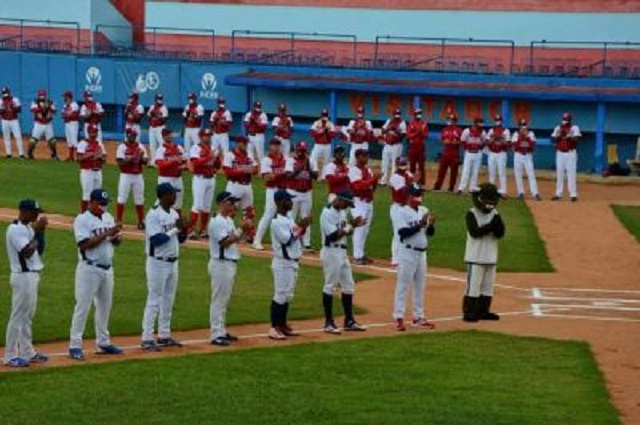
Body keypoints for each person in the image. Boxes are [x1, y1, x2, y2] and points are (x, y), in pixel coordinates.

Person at [69, 189, 123, 360]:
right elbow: (84, 244)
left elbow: (113, 243)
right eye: (100, 203)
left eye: (105, 204)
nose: (103, 207)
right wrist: (108, 233)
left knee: (105, 306)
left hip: (108, 268)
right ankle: (75, 345)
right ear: (91, 202)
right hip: (89, 269)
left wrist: (116, 238)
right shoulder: (82, 219)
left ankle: (103, 342)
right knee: (82, 307)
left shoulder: (108, 217)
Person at [141, 183, 188, 351]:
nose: (175, 197)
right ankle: (146, 338)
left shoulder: (174, 213)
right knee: (154, 300)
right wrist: (176, 229)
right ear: (165, 196)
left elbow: (180, 239)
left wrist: (184, 230)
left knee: (169, 299)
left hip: (173, 262)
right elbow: (156, 240)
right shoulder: (153, 215)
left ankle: (164, 334)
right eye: (173, 194)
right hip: (157, 262)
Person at [4, 199, 48, 368]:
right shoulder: (15, 229)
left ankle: (28, 352)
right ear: (24, 211)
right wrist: (37, 233)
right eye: (34, 212)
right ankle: (10, 355)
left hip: (32, 276)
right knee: (17, 316)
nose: (37, 215)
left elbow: (39, 251)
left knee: (28, 316)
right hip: (22, 277)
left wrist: (41, 233)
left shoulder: (29, 227)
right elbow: (27, 253)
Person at [320, 190, 368, 334]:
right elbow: (333, 236)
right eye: (347, 203)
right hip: (331, 251)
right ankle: (328, 323)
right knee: (330, 285)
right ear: (339, 200)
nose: (347, 207)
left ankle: (349, 321)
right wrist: (350, 226)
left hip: (342, 252)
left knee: (349, 285)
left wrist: (354, 225)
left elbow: (345, 230)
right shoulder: (326, 213)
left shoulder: (342, 211)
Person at [208, 191, 251, 346]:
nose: (233, 205)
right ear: (222, 203)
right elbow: (225, 242)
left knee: (224, 300)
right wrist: (241, 229)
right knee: (218, 300)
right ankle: (215, 334)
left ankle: (221, 330)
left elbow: (234, 239)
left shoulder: (228, 220)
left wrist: (245, 230)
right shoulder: (216, 221)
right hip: (220, 264)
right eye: (230, 202)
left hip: (229, 263)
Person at [393, 184, 436, 331]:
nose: (420, 197)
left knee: (420, 285)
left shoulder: (424, 210)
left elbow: (429, 233)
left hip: (422, 253)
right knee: (403, 285)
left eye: (421, 194)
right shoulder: (401, 212)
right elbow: (403, 233)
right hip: (407, 252)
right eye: (417, 194)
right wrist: (421, 224)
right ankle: (399, 317)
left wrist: (431, 225)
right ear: (410, 196)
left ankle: (418, 317)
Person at [268, 189, 310, 340]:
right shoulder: (276, 221)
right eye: (288, 200)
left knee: (287, 295)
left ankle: (283, 324)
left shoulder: (288, 217)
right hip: (282, 263)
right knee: (280, 295)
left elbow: (296, 233)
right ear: (280, 202)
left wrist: (302, 227)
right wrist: (301, 226)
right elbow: (288, 239)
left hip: (291, 262)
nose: (291, 202)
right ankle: (274, 327)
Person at [463, 183, 505, 322]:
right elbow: (474, 232)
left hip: (491, 256)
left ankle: (483, 311)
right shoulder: (471, 213)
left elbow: (500, 233)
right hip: (475, 257)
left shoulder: (495, 214)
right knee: (473, 287)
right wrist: (491, 226)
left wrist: (496, 227)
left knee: (487, 287)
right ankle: (469, 312)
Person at [253, 137, 287, 251]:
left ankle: (280, 242)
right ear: (270, 146)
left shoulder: (285, 159)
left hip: (284, 190)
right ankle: (257, 240)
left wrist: (278, 174)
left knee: (284, 216)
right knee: (268, 215)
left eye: (278, 145)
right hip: (272, 190)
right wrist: (283, 173)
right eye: (274, 145)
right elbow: (267, 178)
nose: (276, 147)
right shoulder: (266, 160)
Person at [223, 135, 259, 243]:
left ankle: (249, 235)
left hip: (247, 186)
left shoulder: (249, 155)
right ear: (238, 143)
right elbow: (227, 172)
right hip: (234, 186)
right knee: (230, 211)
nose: (245, 145)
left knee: (249, 212)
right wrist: (245, 170)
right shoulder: (229, 155)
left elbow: (256, 169)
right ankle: (226, 232)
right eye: (243, 143)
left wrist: (245, 169)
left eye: (246, 143)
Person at [188, 128, 221, 239]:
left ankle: (203, 230)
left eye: (209, 136)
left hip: (211, 179)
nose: (208, 137)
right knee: (197, 205)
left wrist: (217, 159)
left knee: (207, 207)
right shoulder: (195, 148)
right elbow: (195, 163)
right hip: (199, 179)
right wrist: (209, 157)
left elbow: (217, 166)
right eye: (206, 136)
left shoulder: (213, 148)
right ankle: (190, 230)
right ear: (201, 137)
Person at [285, 142, 318, 252]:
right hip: (293, 192)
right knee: (291, 217)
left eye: (303, 150)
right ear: (296, 150)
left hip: (307, 193)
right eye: (299, 150)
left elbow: (316, 176)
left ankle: (306, 244)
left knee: (306, 218)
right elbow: (288, 176)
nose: (301, 153)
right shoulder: (290, 161)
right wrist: (299, 169)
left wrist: (308, 168)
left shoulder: (311, 161)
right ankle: (289, 239)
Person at [349, 149, 378, 265]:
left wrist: (374, 182)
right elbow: (358, 186)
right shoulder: (353, 170)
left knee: (365, 230)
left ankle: (360, 254)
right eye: (363, 156)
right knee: (359, 228)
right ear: (358, 157)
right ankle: (356, 256)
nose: (366, 158)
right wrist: (373, 179)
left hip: (368, 202)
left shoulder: (368, 170)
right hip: (358, 202)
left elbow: (372, 186)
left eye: (367, 155)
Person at [115, 128, 148, 229]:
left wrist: (141, 158)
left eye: (134, 135)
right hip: (125, 175)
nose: (132, 137)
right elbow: (120, 163)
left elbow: (146, 162)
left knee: (139, 199)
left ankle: (141, 221)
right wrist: (132, 158)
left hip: (138, 176)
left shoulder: (140, 146)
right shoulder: (122, 147)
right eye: (131, 135)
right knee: (122, 198)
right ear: (127, 135)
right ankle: (119, 220)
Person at [155, 128, 188, 215]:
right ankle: (153, 219)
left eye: (170, 134)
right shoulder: (160, 149)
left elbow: (185, 161)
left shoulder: (179, 148)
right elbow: (160, 165)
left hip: (178, 179)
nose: (169, 136)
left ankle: (177, 224)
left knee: (178, 203)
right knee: (161, 201)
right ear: (163, 137)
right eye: (166, 135)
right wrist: (173, 161)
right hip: (165, 179)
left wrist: (183, 166)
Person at [389, 157, 414, 267]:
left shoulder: (408, 174)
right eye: (401, 164)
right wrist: (414, 184)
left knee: (408, 233)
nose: (403, 166)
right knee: (398, 233)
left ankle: (404, 257)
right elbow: (405, 192)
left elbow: (416, 191)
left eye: (404, 164)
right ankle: (395, 259)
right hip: (398, 208)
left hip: (407, 208)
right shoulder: (395, 177)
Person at [551, 112, 582, 202]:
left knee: (571, 174)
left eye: (567, 120)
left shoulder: (574, 128)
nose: (565, 121)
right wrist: (559, 135)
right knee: (559, 173)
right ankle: (558, 194)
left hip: (571, 153)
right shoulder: (558, 128)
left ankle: (573, 195)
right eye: (564, 119)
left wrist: (569, 136)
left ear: (570, 120)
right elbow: (552, 139)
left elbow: (577, 139)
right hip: (560, 153)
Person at [77, 124, 106, 212]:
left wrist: (100, 158)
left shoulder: (100, 144)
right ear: (88, 132)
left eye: (96, 132)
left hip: (98, 172)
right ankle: (84, 214)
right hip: (87, 172)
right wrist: (91, 155)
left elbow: (104, 159)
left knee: (97, 194)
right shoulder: (83, 143)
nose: (94, 134)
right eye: (93, 132)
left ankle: (95, 212)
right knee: (87, 194)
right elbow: (79, 158)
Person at [511, 119, 541, 201]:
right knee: (518, 175)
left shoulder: (531, 133)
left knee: (531, 175)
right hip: (518, 156)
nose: (523, 127)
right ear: (519, 126)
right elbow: (515, 146)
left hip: (528, 156)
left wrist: (527, 137)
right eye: (521, 125)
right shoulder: (515, 134)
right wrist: (521, 138)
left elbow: (533, 146)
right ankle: (520, 193)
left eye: (524, 125)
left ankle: (535, 194)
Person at [433, 114, 463, 192]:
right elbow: (440, 140)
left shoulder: (459, 130)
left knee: (454, 172)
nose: (449, 121)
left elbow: (462, 142)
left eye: (451, 120)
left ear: (455, 121)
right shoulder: (445, 129)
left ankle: (451, 188)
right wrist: (444, 141)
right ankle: (437, 186)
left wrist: (455, 142)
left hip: (454, 153)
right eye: (449, 119)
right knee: (441, 171)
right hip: (445, 153)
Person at [457, 117, 487, 194]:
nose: (481, 125)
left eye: (481, 123)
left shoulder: (483, 132)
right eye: (479, 123)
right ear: (475, 123)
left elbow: (484, 142)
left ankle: (472, 188)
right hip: (469, 153)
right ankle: (461, 188)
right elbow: (462, 141)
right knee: (466, 170)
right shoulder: (467, 131)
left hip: (478, 153)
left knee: (475, 171)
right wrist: (467, 147)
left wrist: (479, 146)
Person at [379, 108, 406, 186]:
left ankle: (393, 182)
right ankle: (383, 181)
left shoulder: (402, 123)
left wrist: (396, 131)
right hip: (387, 145)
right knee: (384, 163)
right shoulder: (389, 121)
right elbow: (382, 130)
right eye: (395, 114)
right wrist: (388, 128)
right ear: (393, 114)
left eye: (398, 114)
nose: (397, 116)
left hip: (396, 145)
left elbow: (403, 135)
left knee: (395, 164)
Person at [485, 114, 510, 199]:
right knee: (491, 173)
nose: (497, 121)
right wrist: (493, 138)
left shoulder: (506, 131)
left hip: (502, 154)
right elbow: (487, 143)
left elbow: (508, 144)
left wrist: (501, 138)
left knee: (501, 173)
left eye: (499, 120)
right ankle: (491, 192)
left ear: (501, 121)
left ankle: (503, 192)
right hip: (492, 153)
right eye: (496, 120)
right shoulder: (491, 130)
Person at [28, 89, 58, 160]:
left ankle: (54, 155)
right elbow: (32, 110)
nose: (42, 97)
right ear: (38, 96)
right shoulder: (35, 102)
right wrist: (41, 108)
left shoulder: (50, 102)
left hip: (48, 124)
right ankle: (30, 154)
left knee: (52, 141)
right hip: (38, 124)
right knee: (33, 141)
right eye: (40, 95)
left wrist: (49, 107)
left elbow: (55, 111)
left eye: (43, 95)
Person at [309, 108, 336, 177]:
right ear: (321, 115)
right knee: (312, 159)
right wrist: (320, 132)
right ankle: (315, 171)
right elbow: (311, 133)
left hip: (327, 145)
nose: (324, 116)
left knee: (326, 162)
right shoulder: (316, 123)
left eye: (325, 115)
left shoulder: (330, 124)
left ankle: (324, 177)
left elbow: (333, 135)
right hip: (318, 144)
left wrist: (327, 132)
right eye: (323, 115)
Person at [0, 86, 24, 158]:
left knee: (18, 136)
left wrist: (13, 107)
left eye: (6, 92)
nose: (5, 94)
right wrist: (3, 109)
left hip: (14, 121)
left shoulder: (15, 99)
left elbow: (20, 110)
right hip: (4, 121)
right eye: (4, 93)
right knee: (6, 137)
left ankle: (21, 154)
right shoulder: (1, 101)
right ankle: (8, 154)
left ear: (9, 92)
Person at [405, 108, 428, 185]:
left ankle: (421, 183)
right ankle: (411, 182)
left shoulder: (423, 124)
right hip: (412, 146)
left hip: (421, 146)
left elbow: (426, 136)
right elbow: (408, 135)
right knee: (412, 166)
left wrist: (421, 132)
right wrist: (417, 132)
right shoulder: (411, 123)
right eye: (417, 113)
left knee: (421, 166)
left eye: (419, 113)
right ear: (414, 115)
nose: (418, 115)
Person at [147, 93, 169, 165]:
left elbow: (164, 119)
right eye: (158, 99)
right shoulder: (152, 107)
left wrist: (156, 115)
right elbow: (148, 117)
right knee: (152, 145)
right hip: (152, 128)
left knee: (162, 144)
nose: (159, 100)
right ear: (155, 99)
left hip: (160, 128)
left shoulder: (164, 108)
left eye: (160, 99)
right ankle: (153, 161)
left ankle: (161, 160)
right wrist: (152, 116)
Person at [61, 90, 80, 161]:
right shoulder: (65, 105)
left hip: (73, 123)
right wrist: (68, 114)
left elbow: (74, 115)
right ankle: (71, 157)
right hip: (67, 124)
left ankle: (78, 157)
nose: (64, 98)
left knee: (74, 140)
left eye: (65, 97)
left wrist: (68, 115)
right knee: (69, 140)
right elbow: (63, 114)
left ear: (69, 97)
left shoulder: (75, 105)